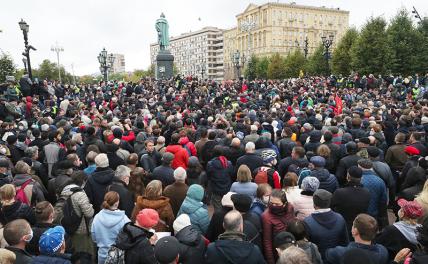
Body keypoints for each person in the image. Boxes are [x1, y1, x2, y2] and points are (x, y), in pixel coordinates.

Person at [303, 189, 349, 260]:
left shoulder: (307, 222)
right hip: (337, 259)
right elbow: (345, 242)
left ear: (314, 204)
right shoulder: (340, 218)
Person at [58, 170, 94, 255]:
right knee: (82, 251)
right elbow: (89, 213)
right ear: (84, 181)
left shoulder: (65, 189)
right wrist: (91, 206)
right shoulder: (80, 194)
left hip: (67, 224)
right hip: (79, 227)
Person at [91, 191, 130, 264]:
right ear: (116, 203)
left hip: (102, 255)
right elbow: (128, 239)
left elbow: (94, 237)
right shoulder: (124, 219)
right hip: (118, 256)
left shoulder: (97, 217)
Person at [331, 166, 371, 234]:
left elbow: (331, 206)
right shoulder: (367, 192)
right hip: (358, 225)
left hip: (342, 225)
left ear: (348, 176)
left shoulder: (339, 192)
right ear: (361, 178)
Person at [262, 189, 296, 264]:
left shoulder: (290, 207)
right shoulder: (266, 216)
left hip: (293, 247)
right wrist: (271, 261)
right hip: (278, 252)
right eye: (271, 203)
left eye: (277, 204)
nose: (273, 206)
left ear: (284, 204)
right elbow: (267, 241)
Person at [358, 159, 388, 227]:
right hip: (374, 213)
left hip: (360, 213)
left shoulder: (358, 180)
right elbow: (383, 200)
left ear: (359, 167)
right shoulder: (380, 181)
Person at [206, 145, 234, 212]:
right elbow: (231, 174)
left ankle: (219, 219)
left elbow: (208, 176)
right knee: (227, 207)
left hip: (216, 189)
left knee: (218, 209)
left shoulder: (210, 164)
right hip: (226, 188)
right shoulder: (228, 163)